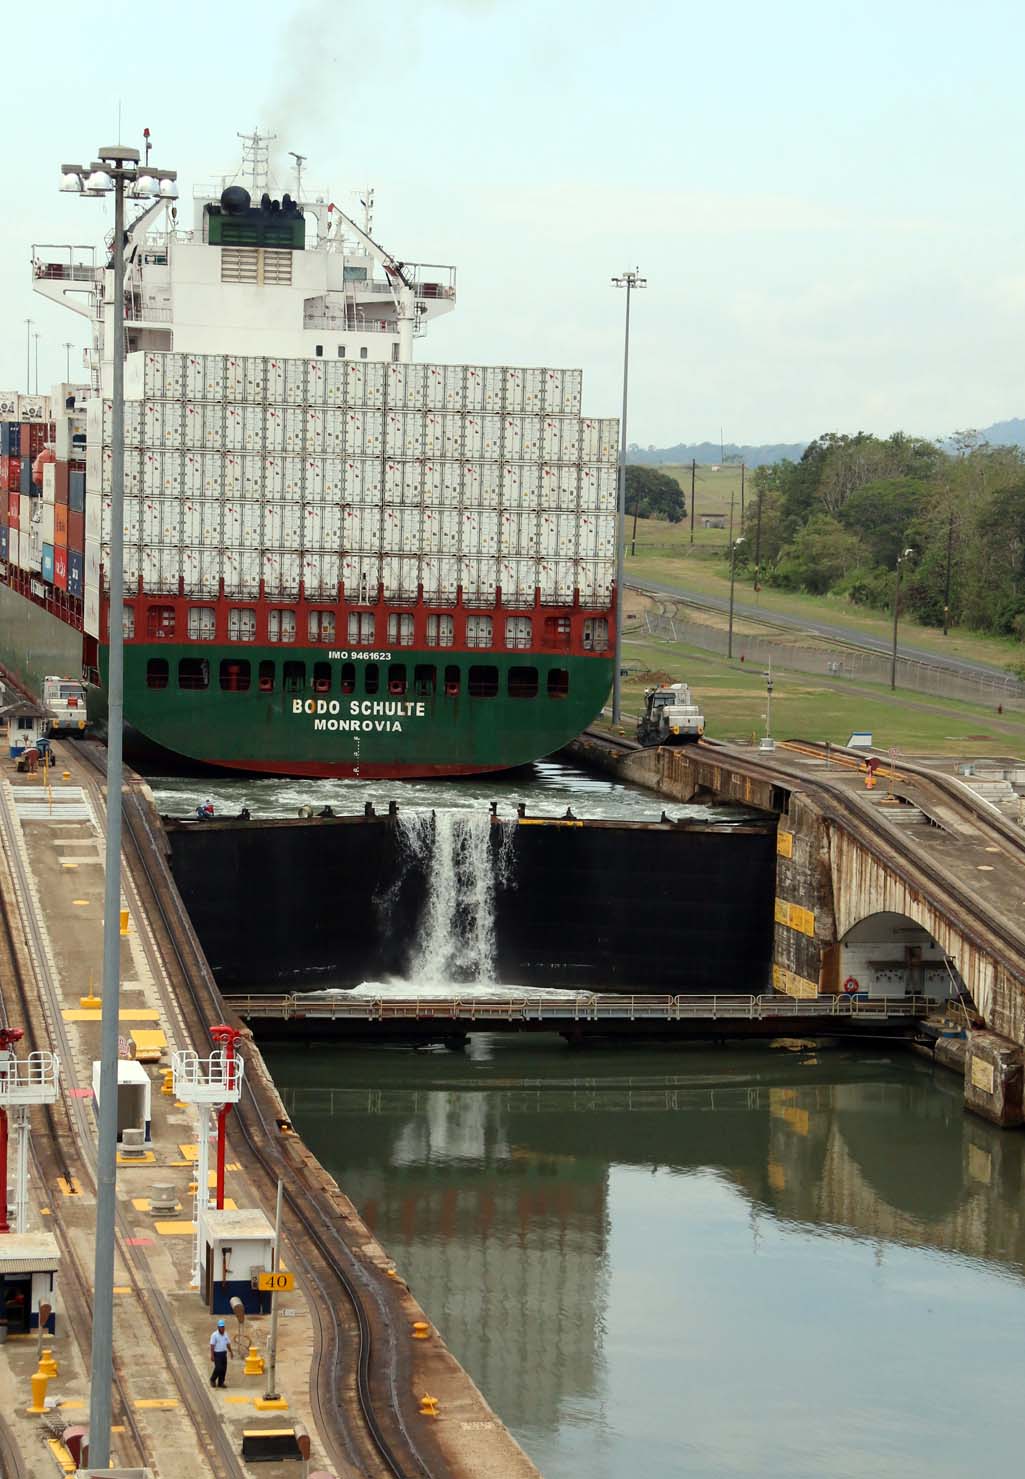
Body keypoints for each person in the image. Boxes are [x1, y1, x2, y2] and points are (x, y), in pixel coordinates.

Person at [209, 1318, 232, 1387]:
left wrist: (231, 1351)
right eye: (221, 1327)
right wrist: (212, 1355)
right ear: (218, 1327)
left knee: (224, 1369)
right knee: (218, 1368)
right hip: (217, 1354)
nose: (222, 1328)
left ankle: (221, 1382)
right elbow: (212, 1345)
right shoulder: (214, 1335)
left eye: (223, 1327)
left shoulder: (225, 1334)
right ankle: (212, 1379)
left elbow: (228, 1343)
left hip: (223, 1354)